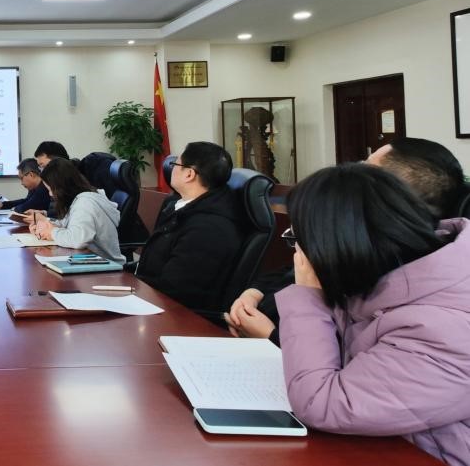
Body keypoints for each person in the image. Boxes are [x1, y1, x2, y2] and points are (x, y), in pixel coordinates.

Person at [275, 164, 470, 465]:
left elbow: (322, 403)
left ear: (336, 242)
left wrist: (308, 297)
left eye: (296, 238)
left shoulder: (441, 329)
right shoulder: (384, 276)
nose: (298, 253)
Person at [228, 137, 468, 342]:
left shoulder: (396, 275)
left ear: (388, 193)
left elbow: (342, 360)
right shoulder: (356, 240)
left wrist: (270, 336)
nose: (353, 170)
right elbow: (292, 271)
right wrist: (254, 293)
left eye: (366, 166)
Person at [135, 141, 242, 314]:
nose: (171, 169)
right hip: (148, 297)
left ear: (189, 174)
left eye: (175, 164)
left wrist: (132, 289)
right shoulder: (179, 206)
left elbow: (176, 292)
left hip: (171, 316)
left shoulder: (208, 229)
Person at [29, 158, 124, 262]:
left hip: (108, 266)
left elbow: (78, 239)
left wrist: (51, 232)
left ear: (61, 186)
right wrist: (44, 227)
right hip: (92, 261)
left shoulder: (85, 203)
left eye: (51, 189)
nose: (50, 194)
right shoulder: (79, 199)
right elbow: (66, 224)